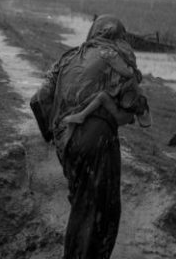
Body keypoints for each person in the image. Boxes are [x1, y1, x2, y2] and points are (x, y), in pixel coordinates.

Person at [30, 15, 151, 259]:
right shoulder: (119, 57)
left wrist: (55, 137)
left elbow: (38, 99)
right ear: (120, 36)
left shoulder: (69, 57)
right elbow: (132, 105)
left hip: (67, 143)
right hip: (97, 141)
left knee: (82, 206)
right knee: (100, 212)